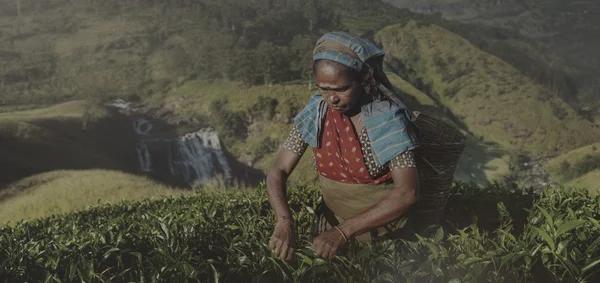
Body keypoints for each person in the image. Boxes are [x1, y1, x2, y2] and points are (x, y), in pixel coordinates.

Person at [266, 31, 421, 261]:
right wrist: (284, 221)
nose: (332, 98)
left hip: (385, 234)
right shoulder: (316, 112)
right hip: (329, 227)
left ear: (363, 80)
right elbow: (278, 170)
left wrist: (344, 231)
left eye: (341, 89)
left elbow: (407, 193)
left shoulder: (386, 119)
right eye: (323, 88)